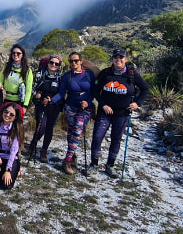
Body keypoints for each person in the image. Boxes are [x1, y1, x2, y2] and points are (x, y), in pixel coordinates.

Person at [90, 48, 149, 178]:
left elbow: (145, 89)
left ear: (125, 59)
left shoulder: (132, 74)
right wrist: (103, 104)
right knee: (97, 137)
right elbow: (95, 90)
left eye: (121, 57)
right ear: (112, 59)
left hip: (122, 113)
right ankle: (94, 164)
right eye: (115, 57)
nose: (118, 60)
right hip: (104, 112)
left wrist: (138, 103)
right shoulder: (105, 73)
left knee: (116, 140)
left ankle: (110, 166)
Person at [51, 52, 96, 174]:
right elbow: (61, 93)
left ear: (81, 61)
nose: (73, 63)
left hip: (85, 109)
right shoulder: (67, 76)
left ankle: (66, 161)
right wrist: (51, 100)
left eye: (76, 60)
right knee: (71, 132)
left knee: (77, 131)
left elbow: (93, 92)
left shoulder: (89, 75)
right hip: (70, 107)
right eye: (71, 61)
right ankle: (73, 155)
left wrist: (87, 102)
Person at [28, 54, 63, 164]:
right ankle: (33, 143)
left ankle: (44, 151)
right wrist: (37, 95)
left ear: (59, 66)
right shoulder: (40, 74)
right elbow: (32, 88)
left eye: (56, 64)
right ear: (48, 63)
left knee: (49, 129)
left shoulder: (60, 78)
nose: (53, 65)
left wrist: (52, 99)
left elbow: (61, 93)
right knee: (41, 126)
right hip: (41, 105)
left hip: (54, 106)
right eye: (51, 62)